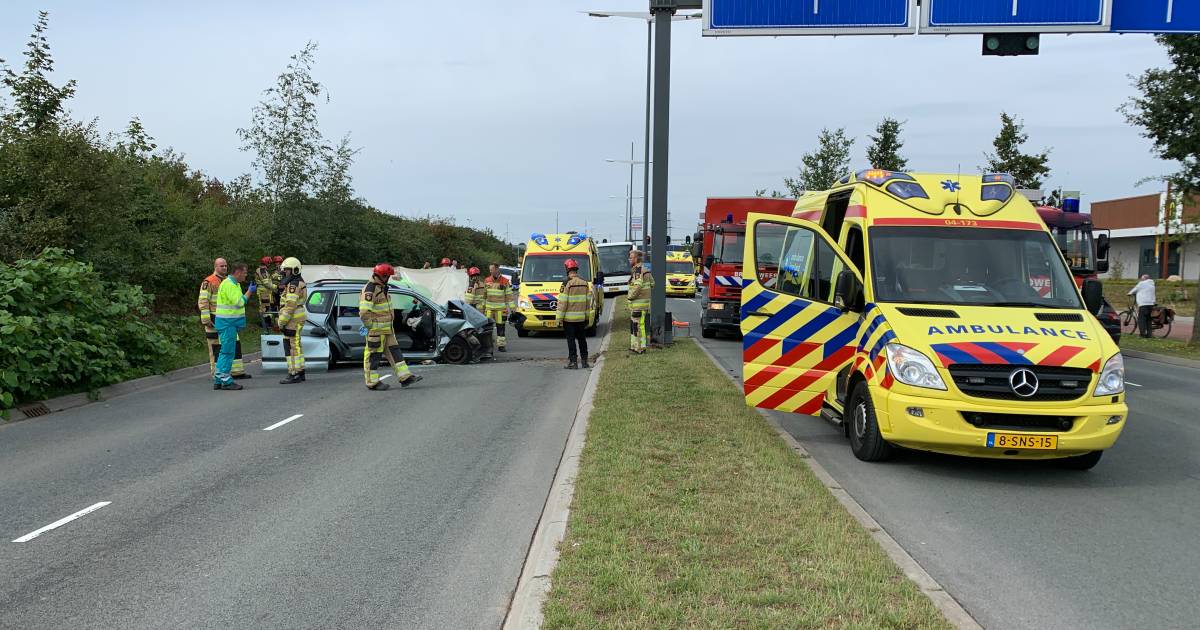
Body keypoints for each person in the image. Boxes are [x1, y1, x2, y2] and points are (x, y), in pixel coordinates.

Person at [360, 263, 423, 390]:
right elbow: (364, 312)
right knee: (373, 356)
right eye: (387, 276)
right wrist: (371, 327)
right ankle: (372, 383)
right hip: (376, 331)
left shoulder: (382, 288)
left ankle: (405, 377)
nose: (388, 278)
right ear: (381, 276)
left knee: (395, 353)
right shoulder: (370, 289)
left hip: (387, 330)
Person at [198, 258, 248, 383]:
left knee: (232, 346)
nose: (224, 268)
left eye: (226, 265)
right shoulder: (209, 281)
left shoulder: (229, 281)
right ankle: (218, 375)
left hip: (227, 318)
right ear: (215, 267)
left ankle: (236, 372)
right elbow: (203, 301)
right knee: (216, 347)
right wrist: (206, 319)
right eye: (221, 266)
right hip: (214, 318)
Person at [214, 263, 256, 390]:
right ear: (237, 272)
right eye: (244, 272)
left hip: (227, 323)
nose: (245, 275)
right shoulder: (230, 284)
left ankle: (218, 379)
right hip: (227, 324)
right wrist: (249, 292)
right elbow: (239, 303)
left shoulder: (232, 284)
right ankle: (226, 381)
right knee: (227, 352)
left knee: (225, 351)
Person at [557, 258, 593, 369]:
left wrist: (559, 319)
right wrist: (587, 316)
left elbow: (562, 303)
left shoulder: (566, 283)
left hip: (569, 320)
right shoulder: (585, 283)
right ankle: (585, 361)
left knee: (571, 341)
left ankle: (573, 362)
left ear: (567, 269)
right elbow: (588, 302)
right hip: (581, 318)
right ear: (576, 269)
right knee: (582, 340)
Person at [277, 257, 308, 384]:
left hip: (292, 320)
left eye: (287, 270)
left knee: (292, 347)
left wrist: (281, 322)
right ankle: (299, 372)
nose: (285, 272)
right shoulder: (297, 282)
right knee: (296, 346)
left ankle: (294, 373)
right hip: (296, 318)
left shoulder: (293, 285)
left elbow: (290, 306)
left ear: (295, 270)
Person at [484, 263, 514, 353]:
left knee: (501, 328)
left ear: (497, 269)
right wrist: (482, 308)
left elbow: (509, 296)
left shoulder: (505, 281)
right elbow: (484, 295)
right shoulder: (487, 280)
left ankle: (501, 346)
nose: (490, 271)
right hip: (489, 309)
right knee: (487, 329)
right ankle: (488, 346)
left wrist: (513, 309)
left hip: (501, 310)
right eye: (490, 269)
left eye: (491, 269)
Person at [627, 251, 651, 354]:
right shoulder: (645, 270)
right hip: (643, 303)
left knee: (638, 326)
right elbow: (652, 283)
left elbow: (637, 286)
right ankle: (634, 346)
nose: (629, 259)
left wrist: (630, 297)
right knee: (635, 325)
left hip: (638, 304)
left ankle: (640, 348)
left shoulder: (638, 271)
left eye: (631, 258)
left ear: (636, 259)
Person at [1128, 274, 1157, 338]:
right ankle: (1149, 335)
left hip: (1143, 304)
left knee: (1141, 319)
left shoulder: (1142, 283)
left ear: (1145, 279)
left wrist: (1129, 293)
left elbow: (1135, 289)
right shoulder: (1152, 284)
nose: (1141, 279)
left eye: (1142, 278)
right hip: (1151, 304)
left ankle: (1142, 334)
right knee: (1149, 319)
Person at [254, 256, 276, 329]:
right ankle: (265, 323)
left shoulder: (262, 270)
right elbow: (266, 283)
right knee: (265, 308)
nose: (270, 265)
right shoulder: (262, 271)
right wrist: (275, 287)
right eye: (269, 263)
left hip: (265, 292)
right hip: (263, 292)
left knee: (267, 307)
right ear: (267, 263)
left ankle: (268, 323)